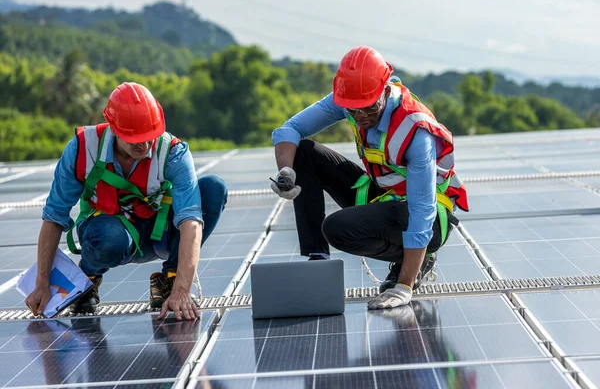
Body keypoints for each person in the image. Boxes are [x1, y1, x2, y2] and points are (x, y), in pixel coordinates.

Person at [270, 46, 468, 310]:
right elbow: (291, 129)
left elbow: (422, 209)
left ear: (385, 91)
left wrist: (404, 286)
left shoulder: (416, 131)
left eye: (368, 109)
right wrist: (286, 171)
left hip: (426, 219)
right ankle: (317, 261)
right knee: (304, 153)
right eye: (352, 111)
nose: (360, 117)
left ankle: (418, 261)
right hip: (385, 198)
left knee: (336, 228)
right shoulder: (351, 101)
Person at [25, 82, 228, 320]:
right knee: (110, 237)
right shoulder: (82, 149)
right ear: (113, 128)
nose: (143, 145)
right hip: (108, 234)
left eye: (149, 137)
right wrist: (42, 284)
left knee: (214, 188)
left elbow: (191, 220)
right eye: (134, 139)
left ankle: (169, 281)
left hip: (158, 232)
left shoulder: (172, 152)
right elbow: (54, 217)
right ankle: (88, 279)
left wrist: (182, 290)